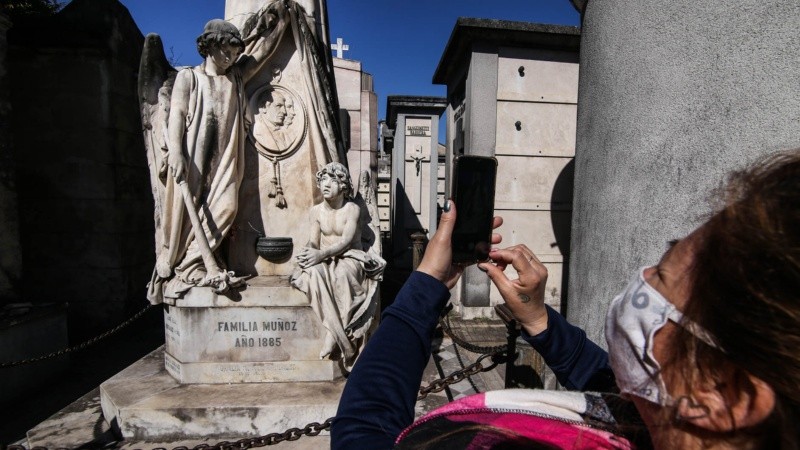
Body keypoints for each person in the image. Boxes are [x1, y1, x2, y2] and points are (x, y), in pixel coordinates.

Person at [332, 150, 800, 449]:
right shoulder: (655, 425)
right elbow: (608, 386)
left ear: (725, 393)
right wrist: (539, 320)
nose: (642, 279)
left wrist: (425, 285)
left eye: (662, 272)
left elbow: (364, 430)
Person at [148, 13, 289, 302]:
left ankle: (196, 263)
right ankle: (194, 265)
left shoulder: (235, 77)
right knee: (188, 214)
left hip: (226, 159)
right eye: (227, 51)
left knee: (226, 207)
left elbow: (260, 54)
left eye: (236, 53)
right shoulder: (189, 77)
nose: (232, 57)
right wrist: (175, 151)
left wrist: (283, 22)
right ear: (211, 45)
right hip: (193, 157)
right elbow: (177, 114)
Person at [291, 162, 386, 365]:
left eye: (332, 180)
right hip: (325, 257)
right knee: (312, 273)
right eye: (323, 179)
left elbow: (345, 242)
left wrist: (320, 254)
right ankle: (335, 333)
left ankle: (336, 335)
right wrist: (308, 254)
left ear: (343, 185)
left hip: (351, 256)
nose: (326, 184)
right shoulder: (315, 211)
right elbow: (314, 242)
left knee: (342, 275)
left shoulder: (352, 209)